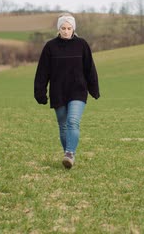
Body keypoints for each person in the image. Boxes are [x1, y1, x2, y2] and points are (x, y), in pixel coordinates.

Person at [34, 13, 100, 169]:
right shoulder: (50, 47)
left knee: (72, 121)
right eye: (63, 28)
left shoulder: (82, 45)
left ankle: (69, 153)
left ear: (73, 29)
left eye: (69, 28)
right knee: (63, 126)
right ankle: (68, 156)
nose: (66, 31)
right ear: (58, 29)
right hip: (58, 91)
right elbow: (42, 72)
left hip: (78, 90)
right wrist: (40, 93)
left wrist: (94, 89)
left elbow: (90, 69)